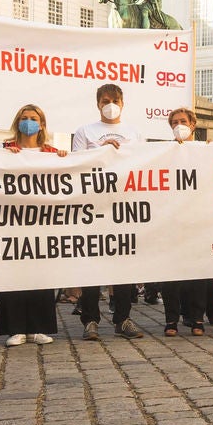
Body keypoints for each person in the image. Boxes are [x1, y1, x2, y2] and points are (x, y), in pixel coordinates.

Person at [71, 83, 145, 340]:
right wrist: (103, 152)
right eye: (104, 100)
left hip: (123, 206)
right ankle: (90, 320)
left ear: (122, 103)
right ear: (97, 104)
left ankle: (122, 318)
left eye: (114, 100)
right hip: (93, 207)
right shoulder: (84, 132)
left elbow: (143, 165)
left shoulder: (134, 132)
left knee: (122, 265)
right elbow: (77, 166)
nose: (109, 104)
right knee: (92, 264)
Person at [0, 104, 63, 346]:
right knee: (13, 273)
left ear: (42, 124)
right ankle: (16, 329)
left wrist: (65, 161)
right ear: (17, 123)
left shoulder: (51, 152)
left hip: (41, 221)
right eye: (24, 118)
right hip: (11, 220)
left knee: (39, 274)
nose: (29, 122)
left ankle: (37, 328)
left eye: (33, 118)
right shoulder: (3, 149)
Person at [153, 107, 213, 335]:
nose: (178, 125)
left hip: (198, 221)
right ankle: (171, 320)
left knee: (197, 273)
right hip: (172, 221)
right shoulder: (163, 152)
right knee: (171, 273)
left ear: (193, 124)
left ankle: (196, 319)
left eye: (182, 121)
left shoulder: (206, 150)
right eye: (174, 122)